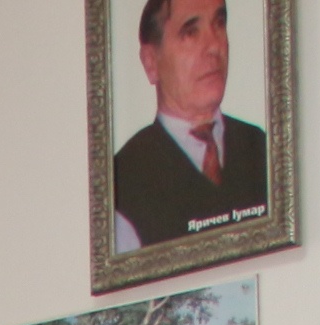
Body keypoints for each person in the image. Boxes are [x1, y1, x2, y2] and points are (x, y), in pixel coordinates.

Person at [112, 0, 270, 250]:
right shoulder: (123, 183)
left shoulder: (261, 148)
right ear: (151, 62)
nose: (214, 46)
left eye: (219, 24)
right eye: (191, 32)